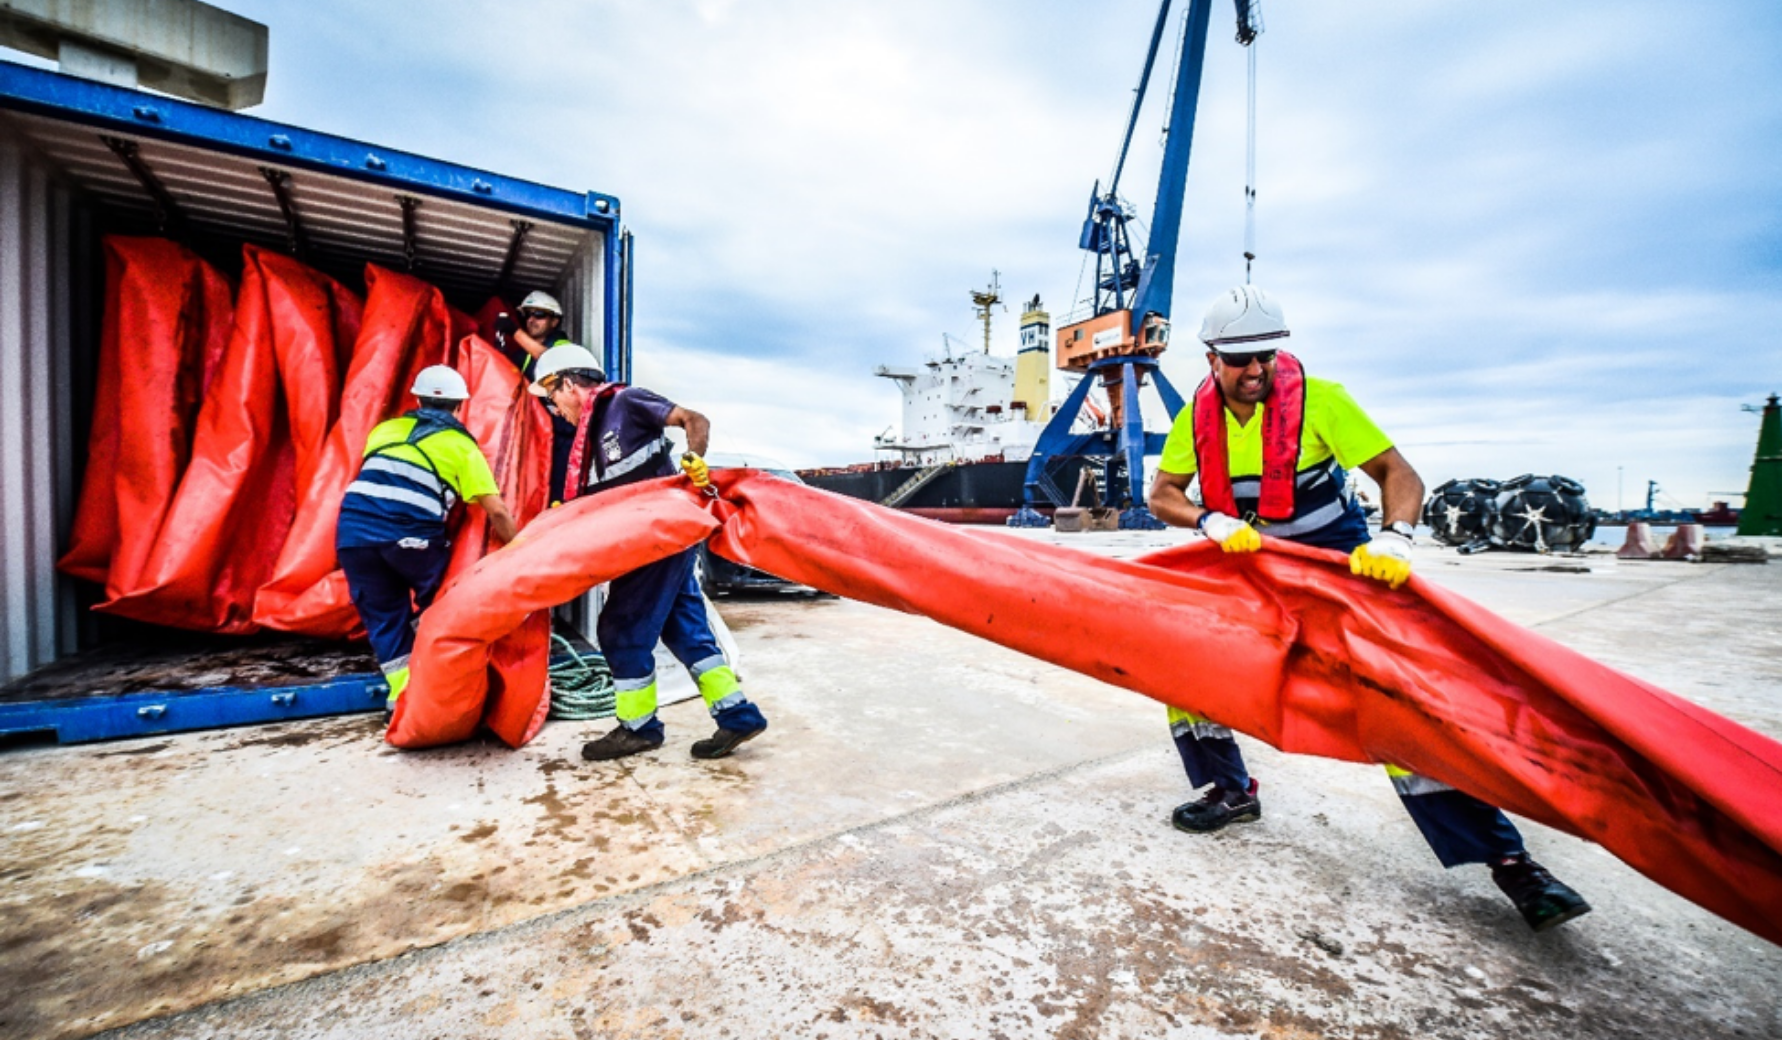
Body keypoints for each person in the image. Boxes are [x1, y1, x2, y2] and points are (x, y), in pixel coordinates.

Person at [1147, 285, 1591, 933]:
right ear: (1211, 358)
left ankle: (1513, 864)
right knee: (1182, 675)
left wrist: (1395, 536)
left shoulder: (1322, 401)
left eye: (1265, 356)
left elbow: (1398, 475)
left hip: (1336, 576)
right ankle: (1230, 791)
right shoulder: (1197, 421)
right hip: (1257, 571)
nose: (1255, 370)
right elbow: (1163, 495)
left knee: (1395, 713)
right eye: (1239, 358)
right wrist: (1208, 519)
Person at [527, 343, 770, 761]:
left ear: (567, 384)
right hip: (649, 545)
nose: (554, 409)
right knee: (687, 632)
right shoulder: (587, 445)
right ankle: (737, 716)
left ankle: (638, 728)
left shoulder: (626, 402)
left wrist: (694, 460)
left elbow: (694, 419)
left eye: (552, 398)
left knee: (620, 631)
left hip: (658, 539)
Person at [336, 365, 518, 710]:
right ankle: (452, 684)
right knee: (446, 599)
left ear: (417, 399)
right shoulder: (460, 446)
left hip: (353, 534)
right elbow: (496, 511)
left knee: (385, 614)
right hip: (407, 532)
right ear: (459, 406)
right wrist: (520, 548)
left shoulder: (384, 431)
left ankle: (404, 699)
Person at [492, 290, 577, 503]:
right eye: (527, 315)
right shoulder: (521, 356)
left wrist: (514, 331)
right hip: (531, 433)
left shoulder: (562, 346)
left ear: (555, 321)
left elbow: (549, 359)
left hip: (562, 434)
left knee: (557, 492)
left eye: (539, 314)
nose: (531, 320)